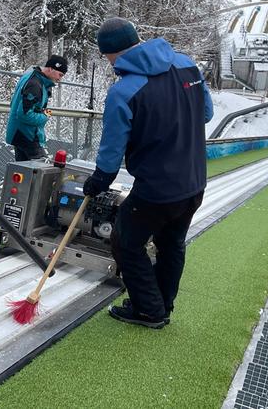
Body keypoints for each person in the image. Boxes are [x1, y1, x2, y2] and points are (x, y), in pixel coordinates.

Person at [83, 18, 213, 329]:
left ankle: (148, 310)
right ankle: (163, 303)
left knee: (126, 241)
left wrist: (98, 181)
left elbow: (112, 152)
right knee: (172, 244)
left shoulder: (123, 91)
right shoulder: (186, 65)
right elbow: (206, 113)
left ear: (110, 54)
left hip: (157, 189)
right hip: (194, 181)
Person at [5, 55, 68, 160]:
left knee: (23, 172)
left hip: (19, 134)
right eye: (60, 74)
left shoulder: (29, 76)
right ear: (51, 68)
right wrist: (45, 115)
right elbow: (23, 114)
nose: (60, 79)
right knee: (42, 171)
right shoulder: (35, 84)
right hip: (27, 136)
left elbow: (14, 104)